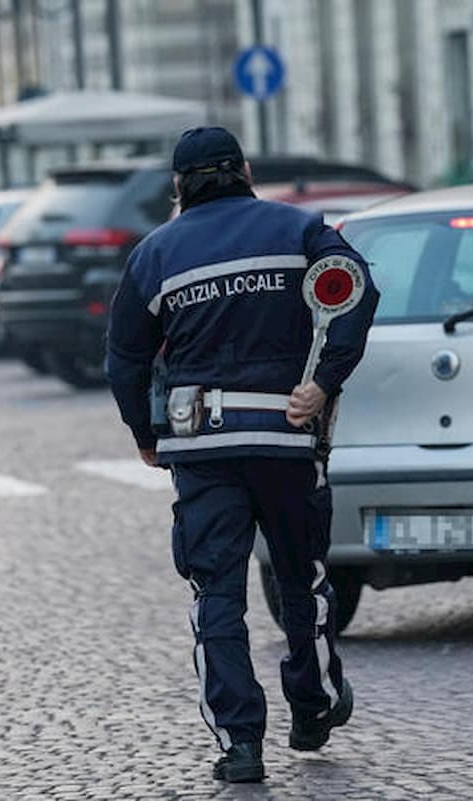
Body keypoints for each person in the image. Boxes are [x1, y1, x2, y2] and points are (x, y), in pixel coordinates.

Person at [106, 127, 379, 784]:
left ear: (178, 186)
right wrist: (323, 381)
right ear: (247, 170)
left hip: (200, 444)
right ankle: (313, 705)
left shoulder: (154, 253)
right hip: (287, 435)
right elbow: (357, 290)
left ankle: (239, 743)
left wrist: (145, 432)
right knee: (302, 578)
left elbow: (125, 357)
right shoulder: (301, 229)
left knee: (215, 592)